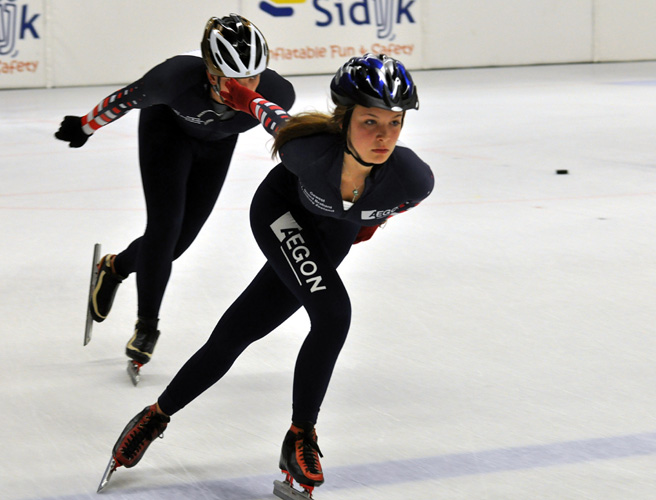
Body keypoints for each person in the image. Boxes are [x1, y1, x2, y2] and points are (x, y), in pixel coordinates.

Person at [102, 54, 434, 496]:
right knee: (334, 315)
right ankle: (301, 438)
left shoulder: (414, 180)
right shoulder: (309, 149)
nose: (383, 136)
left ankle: (155, 415)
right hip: (280, 213)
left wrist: (367, 223)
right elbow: (269, 114)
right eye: (370, 121)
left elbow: (388, 209)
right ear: (343, 119)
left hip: (331, 234)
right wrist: (241, 93)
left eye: (395, 123)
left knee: (238, 333)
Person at [54, 14, 295, 371]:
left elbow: (290, 132)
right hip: (166, 133)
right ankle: (146, 326)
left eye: (253, 77)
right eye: (233, 80)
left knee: (178, 245)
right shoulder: (173, 79)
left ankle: (115, 268)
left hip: (216, 145)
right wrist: (85, 126)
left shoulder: (277, 94)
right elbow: (124, 99)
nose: (245, 88)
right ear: (210, 72)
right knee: (164, 228)